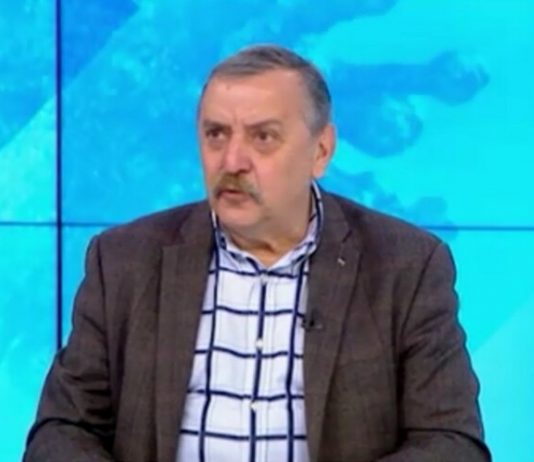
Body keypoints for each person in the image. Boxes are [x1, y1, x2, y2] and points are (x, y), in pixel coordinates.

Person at [24, 44, 491, 462]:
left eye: (262, 137)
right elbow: (61, 432)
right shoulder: (125, 260)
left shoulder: (406, 266)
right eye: (216, 135)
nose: (232, 161)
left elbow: (451, 442)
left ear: (321, 150)